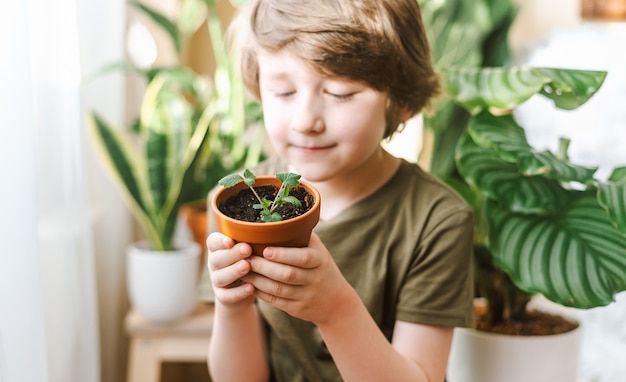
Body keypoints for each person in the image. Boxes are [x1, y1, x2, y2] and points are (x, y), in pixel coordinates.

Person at [205, 0, 474, 381]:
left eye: (340, 93)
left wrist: (335, 309)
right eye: (283, 92)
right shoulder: (233, 205)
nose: (305, 121)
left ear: (398, 102)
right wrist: (231, 304)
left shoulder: (437, 220)